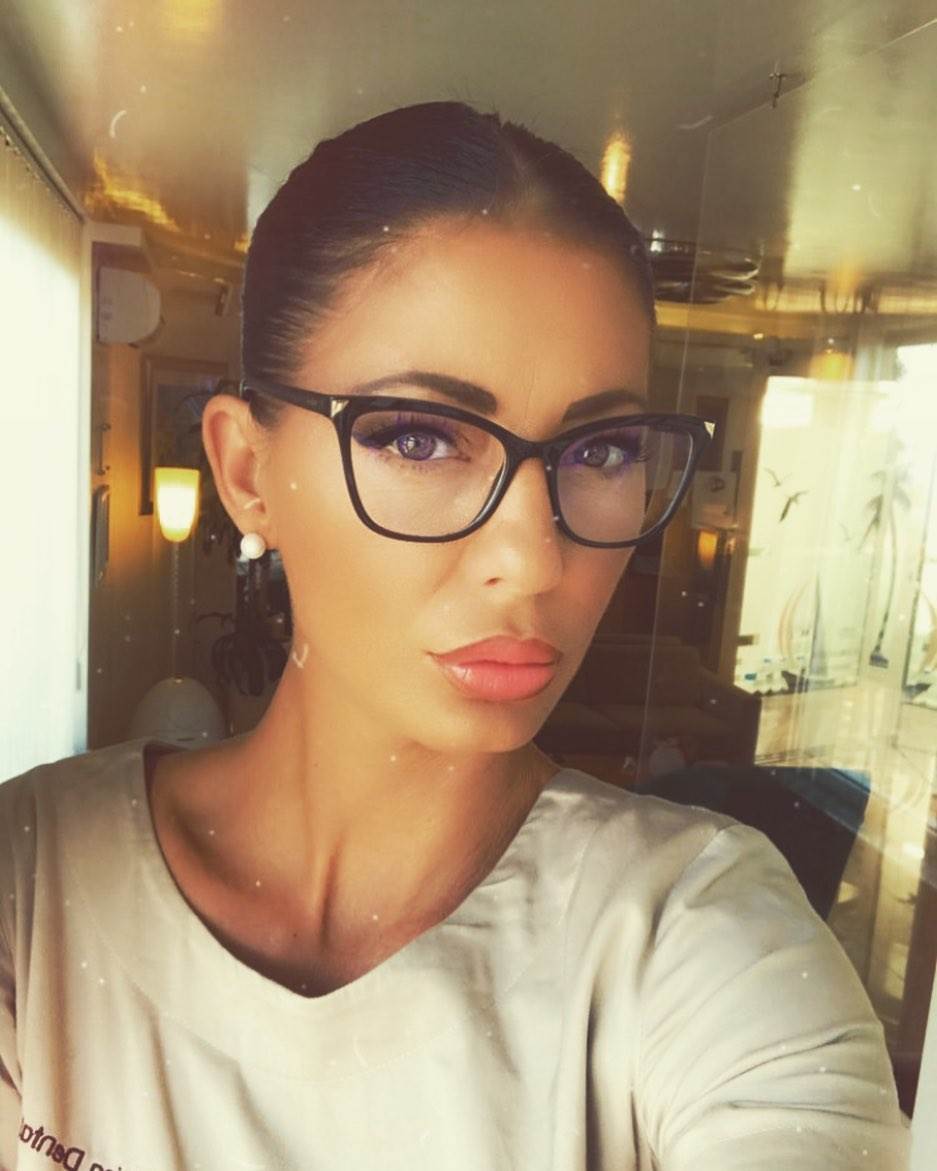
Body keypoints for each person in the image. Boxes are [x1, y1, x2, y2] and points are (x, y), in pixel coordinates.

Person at [0, 101, 909, 1169]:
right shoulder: (33, 882)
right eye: (420, 437)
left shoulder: (699, 935)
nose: (532, 559)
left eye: (602, 450)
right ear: (247, 472)